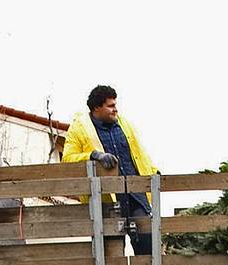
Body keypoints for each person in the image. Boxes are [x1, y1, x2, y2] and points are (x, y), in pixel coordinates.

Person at [62, 85, 157, 255]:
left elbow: (139, 153)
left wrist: (154, 172)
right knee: (112, 253)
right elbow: (67, 159)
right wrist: (94, 155)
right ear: (97, 107)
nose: (116, 109)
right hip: (106, 200)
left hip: (136, 194)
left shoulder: (124, 123)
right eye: (111, 106)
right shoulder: (79, 128)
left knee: (148, 241)